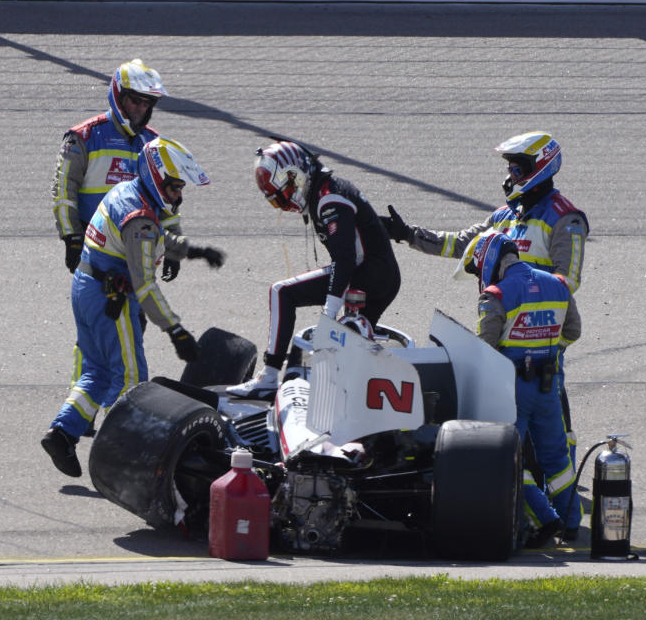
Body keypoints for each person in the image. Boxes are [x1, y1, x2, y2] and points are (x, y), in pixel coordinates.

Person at [380, 131, 588, 469]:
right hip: (500, 333)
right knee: (503, 412)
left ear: (540, 168)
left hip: (540, 336)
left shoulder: (566, 219)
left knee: (553, 417)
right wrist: (407, 235)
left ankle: (560, 485)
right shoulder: (504, 216)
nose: (509, 177)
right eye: (509, 170)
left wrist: (523, 287)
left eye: (517, 170)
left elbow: (568, 281)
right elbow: (461, 244)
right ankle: (512, 478)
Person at [41, 137, 221, 477]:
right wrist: (175, 330)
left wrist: (192, 251)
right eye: (174, 187)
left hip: (85, 287)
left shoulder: (129, 191)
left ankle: (62, 433)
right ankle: (124, 460)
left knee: (97, 370)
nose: (178, 196)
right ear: (156, 177)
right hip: (112, 300)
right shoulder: (141, 220)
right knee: (133, 380)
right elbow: (145, 285)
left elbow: (156, 237)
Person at [227, 140, 401, 399]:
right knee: (354, 345)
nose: (284, 204)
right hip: (382, 276)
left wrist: (328, 316)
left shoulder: (329, 198)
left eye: (283, 193)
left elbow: (345, 260)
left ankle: (269, 377)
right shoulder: (329, 190)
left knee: (282, 292)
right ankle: (358, 395)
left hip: (365, 273)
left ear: (295, 176)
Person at [465, 232, 581, 547]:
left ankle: (544, 519)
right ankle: (571, 523)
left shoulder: (495, 295)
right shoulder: (558, 284)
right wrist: (551, 353)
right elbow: (573, 331)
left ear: (488, 262)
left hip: (511, 388)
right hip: (548, 384)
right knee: (557, 458)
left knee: (508, 458)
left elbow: (485, 348)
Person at [51, 59, 188, 276]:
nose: (141, 108)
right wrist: (72, 238)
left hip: (139, 248)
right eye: (135, 101)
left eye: (147, 103)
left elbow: (168, 199)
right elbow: (63, 192)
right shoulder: (83, 137)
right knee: (97, 309)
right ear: (119, 96)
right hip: (95, 248)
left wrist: (172, 246)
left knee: (138, 309)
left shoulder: (154, 143)